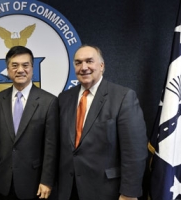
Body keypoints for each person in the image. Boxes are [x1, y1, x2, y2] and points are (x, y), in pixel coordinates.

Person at [58, 45, 147, 200]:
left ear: (101, 65)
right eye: (78, 63)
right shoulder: (64, 98)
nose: (83, 67)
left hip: (106, 191)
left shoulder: (123, 97)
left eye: (89, 61)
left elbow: (135, 152)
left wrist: (129, 193)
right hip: (68, 190)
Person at [0, 46, 59, 200]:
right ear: (7, 70)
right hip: (3, 179)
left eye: (25, 65)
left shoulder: (49, 101)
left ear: (33, 68)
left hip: (33, 181)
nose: (20, 70)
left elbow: (51, 146)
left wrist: (47, 181)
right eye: (14, 65)